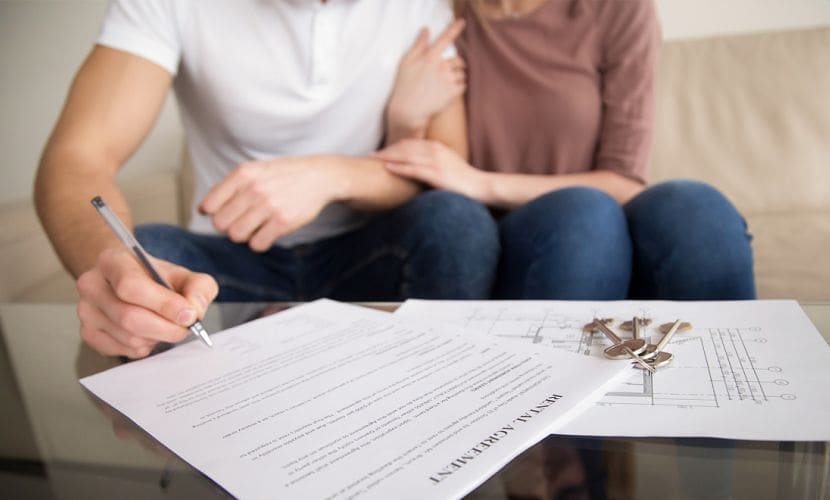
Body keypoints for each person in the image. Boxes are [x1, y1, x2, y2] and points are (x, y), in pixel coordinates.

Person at [34, 0, 500, 360]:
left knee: (456, 221)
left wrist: (333, 175)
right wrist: (112, 264)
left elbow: (444, 168)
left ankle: (447, 399)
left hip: (366, 255)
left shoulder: (421, 8)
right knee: (151, 261)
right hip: (230, 267)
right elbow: (79, 157)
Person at [376, 0, 756, 301]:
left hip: (605, 238)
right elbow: (428, 176)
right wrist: (403, 118)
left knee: (695, 207)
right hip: (527, 250)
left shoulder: (617, 8)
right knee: (584, 215)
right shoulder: (440, 19)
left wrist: (481, 183)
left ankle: (739, 385)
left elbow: (624, 181)